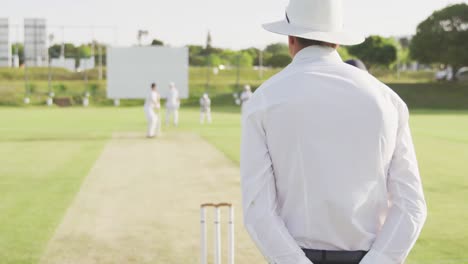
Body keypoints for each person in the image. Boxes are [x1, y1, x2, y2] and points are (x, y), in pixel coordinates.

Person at [240, 1, 427, 264]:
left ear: (291, 39)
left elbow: (257, 209)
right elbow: (411, 205)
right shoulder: (386, 99)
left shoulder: (264, 99)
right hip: (369, 255)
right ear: (336, 41)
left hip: (293, 255)